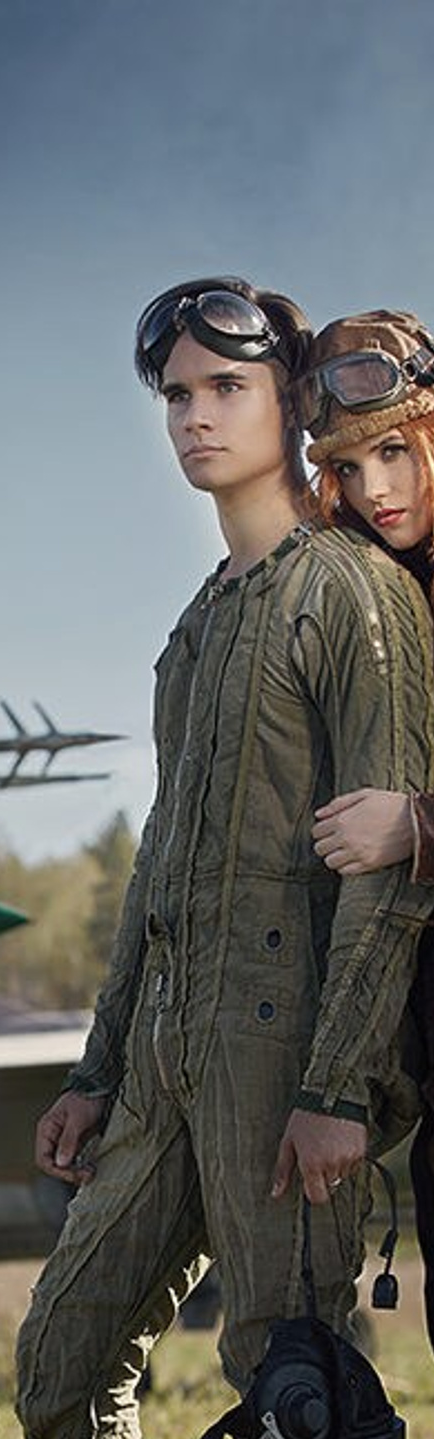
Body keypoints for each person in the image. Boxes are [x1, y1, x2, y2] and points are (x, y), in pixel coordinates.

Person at [0, 279, 434, 1439]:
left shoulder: (357, 597)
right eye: (170, 395)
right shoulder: (198, 630)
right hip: (167, 1061)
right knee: (65, 1345)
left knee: (292, 1375)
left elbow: (389, 881)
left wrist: (341, 1086)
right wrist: (100, 1068)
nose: (190, 418)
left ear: (287, 401)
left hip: (291, 1059)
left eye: (219, 390)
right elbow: (164, 862)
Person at [300, 312, 434, 1335]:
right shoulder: (371, 599)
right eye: (346, 466)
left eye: (392, 450)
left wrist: (416, 826)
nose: (374, 488)